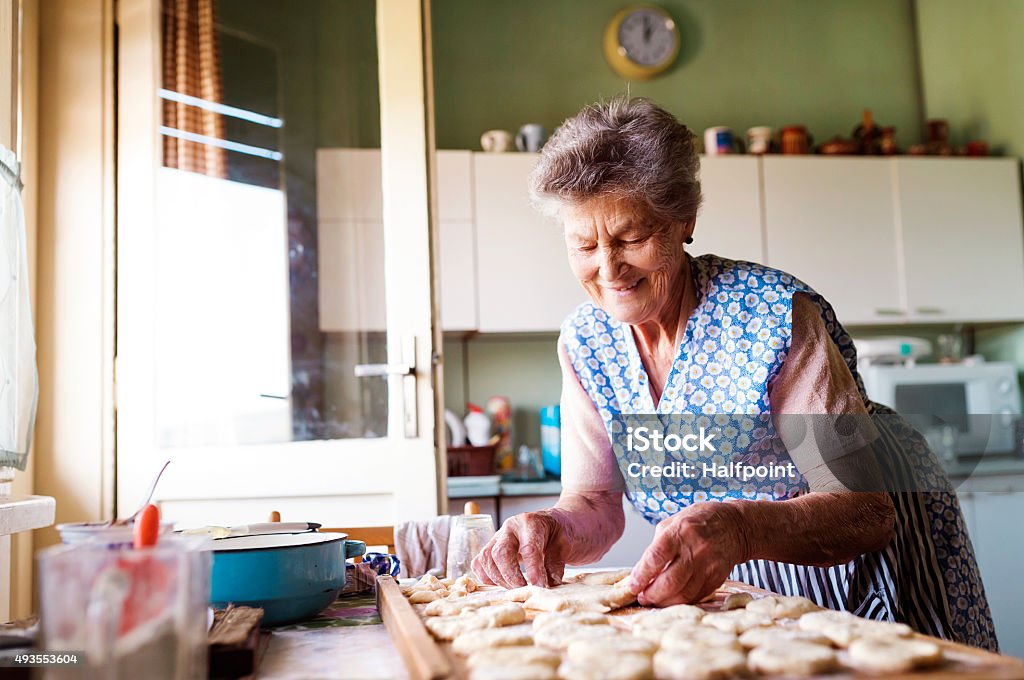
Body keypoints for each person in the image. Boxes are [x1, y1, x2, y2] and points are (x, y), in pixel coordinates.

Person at [470, 97, 996, 651]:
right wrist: (551, 528)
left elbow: (862, 510)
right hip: (737, 581)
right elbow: (595, 505)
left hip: (858, 559)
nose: (608, 268)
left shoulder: (772, 316)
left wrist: (740, 528)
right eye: (583, 244)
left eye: (630, 238)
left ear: (684, 221)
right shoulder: (585, 343)